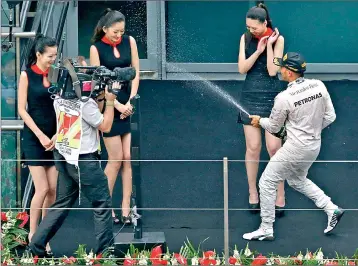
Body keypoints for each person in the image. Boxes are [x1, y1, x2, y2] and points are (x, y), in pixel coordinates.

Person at [243, 52, 344, 241]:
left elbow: (273, 127)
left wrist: (259, 121)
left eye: (282, 67)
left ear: (290, 72)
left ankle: (266, 228)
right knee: (297, 180)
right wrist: (311, 131)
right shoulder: (319, 86)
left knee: (266, 182)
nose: (280, 70)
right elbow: (331, 117)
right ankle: (332, 209)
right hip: (314, 145)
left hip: (295, 148)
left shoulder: (284, 97)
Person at [28, 69, 120, 256]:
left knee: (61, 204)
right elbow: (106, 126)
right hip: (84, 160)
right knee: (102, 204)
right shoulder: (85, 105)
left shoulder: (59, 99)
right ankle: (106, 253)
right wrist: (110, 100)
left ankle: (35, 247)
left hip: (64, 157)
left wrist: (100, 97)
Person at [89, 8, 140, 224]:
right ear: (105, 29)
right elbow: (97, 83)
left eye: (121, 32)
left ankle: (126, 208)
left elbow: (136, 72)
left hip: (127, 103)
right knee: (115, 159)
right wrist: (117, 105)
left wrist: (131, 100)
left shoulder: (130, 42)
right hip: (109, 105)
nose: (119, 36)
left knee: (128, 158)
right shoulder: (96, 48)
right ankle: (105, 208)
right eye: (115, 32)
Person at [238, 3, 286, 214]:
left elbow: (272, 70)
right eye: (248, 27)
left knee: (274, 149)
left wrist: (268, 46)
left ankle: (279, 194)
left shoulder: (279, 38)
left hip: (272, 97)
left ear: (264, 23)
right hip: (249, 96)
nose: (251, 30)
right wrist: (257, 50)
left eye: (254, 27)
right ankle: (253, 192)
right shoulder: (245, 38)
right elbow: (242, 69)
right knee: (253, 147)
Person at [18, 34, 58, 254]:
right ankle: (33, 234)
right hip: (35, 138)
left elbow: (63, 105)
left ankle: (45, 236)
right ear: (38, 54)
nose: (53, 59)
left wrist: (58, 134)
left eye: (55, 55)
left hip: (54, 138)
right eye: (50, 56)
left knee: (52, 190)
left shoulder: (56, 75)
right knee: (41, 188)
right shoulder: (26, 75)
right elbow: (22, 109)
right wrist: (41, 136)